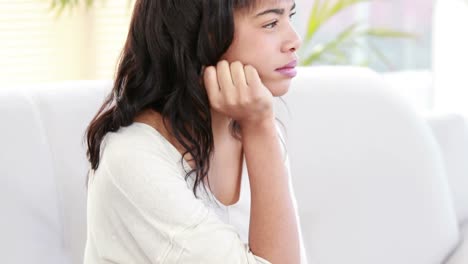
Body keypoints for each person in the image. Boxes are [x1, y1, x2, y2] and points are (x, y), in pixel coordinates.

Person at [84, 0, 305, 263]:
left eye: (290, 17)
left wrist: (260, 128)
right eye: (270, 23)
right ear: (203, 35)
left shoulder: (258, 129)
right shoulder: (133, 159)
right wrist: (260, 128)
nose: (294, 40)